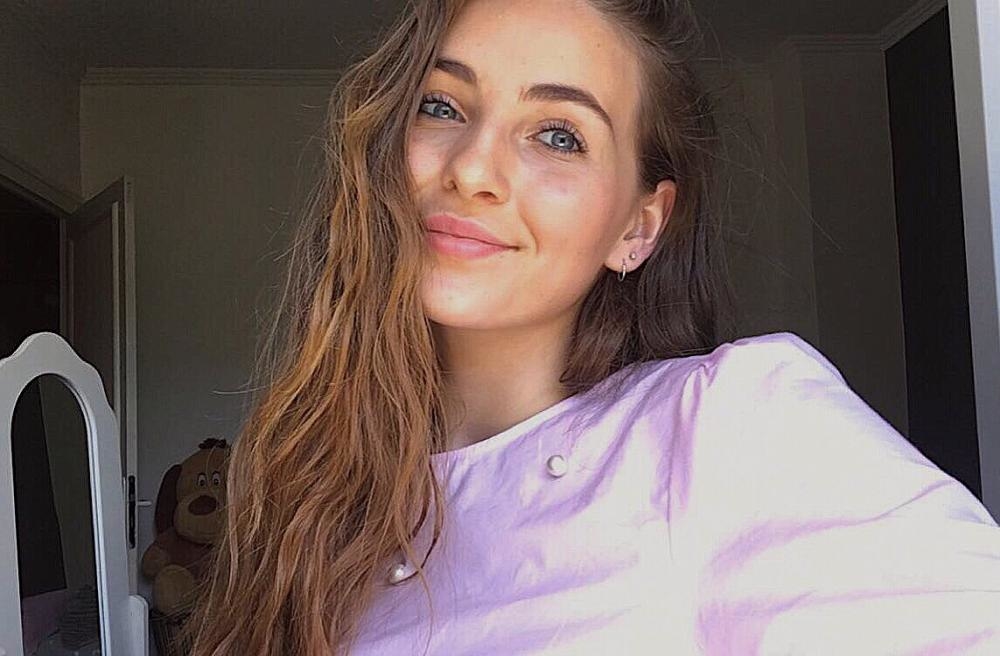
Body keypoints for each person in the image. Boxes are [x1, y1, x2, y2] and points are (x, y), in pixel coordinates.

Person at [186, 0, 1000, 653]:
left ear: (637, 228)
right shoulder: (307, 481)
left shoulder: (727, 427)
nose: (471, 168)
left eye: (558, 135)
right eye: (441, 105)